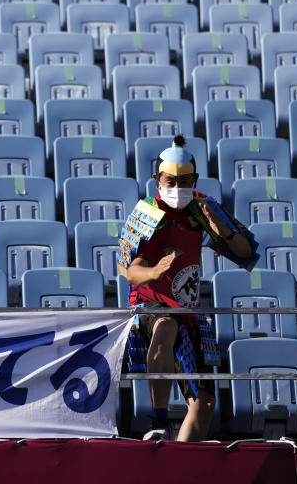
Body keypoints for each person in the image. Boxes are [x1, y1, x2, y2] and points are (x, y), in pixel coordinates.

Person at [120, 135, 258, 442]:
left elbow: (246, 252)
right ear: (156, 179)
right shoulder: (145, 211)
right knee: (166, 327)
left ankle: (178, 462)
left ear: (195, 179)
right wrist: (155, 270)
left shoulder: (202, 207)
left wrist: (222, 232)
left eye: (185, 181)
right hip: (150, 306)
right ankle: (158, 420)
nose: (178, 188)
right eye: (171, 181)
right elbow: (130, 271)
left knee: (205, 403)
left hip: (189, 312)